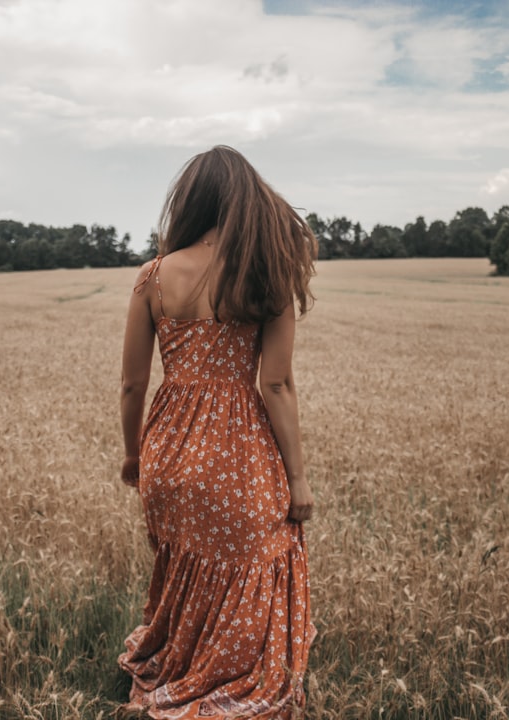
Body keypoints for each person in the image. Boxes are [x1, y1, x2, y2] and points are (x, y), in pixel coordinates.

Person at [117, 145, 317, 719]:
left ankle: (180, 662)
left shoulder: (154, 276)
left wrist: (134, 458)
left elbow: (133, 386)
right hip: (239, 453)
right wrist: (298, 481)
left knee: (186, 566)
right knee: (256, 562)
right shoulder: (267, 273)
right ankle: (231, 674)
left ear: (192, 201)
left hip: (169, 451)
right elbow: (276, 386)